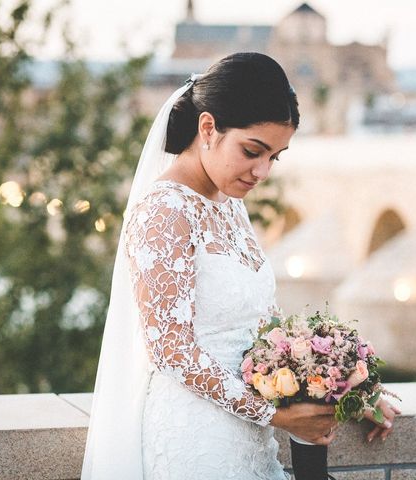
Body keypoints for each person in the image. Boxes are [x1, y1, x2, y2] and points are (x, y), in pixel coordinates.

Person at [81, 52, 397, 480]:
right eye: (253, 151)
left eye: (275, 157)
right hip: (196, 438)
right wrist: (276, 414)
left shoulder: (227, 205)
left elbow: (265, 329)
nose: (263, 171)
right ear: (208, 128)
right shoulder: (164, 211)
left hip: (251, 435)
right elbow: (172, 350)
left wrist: (352, 389)